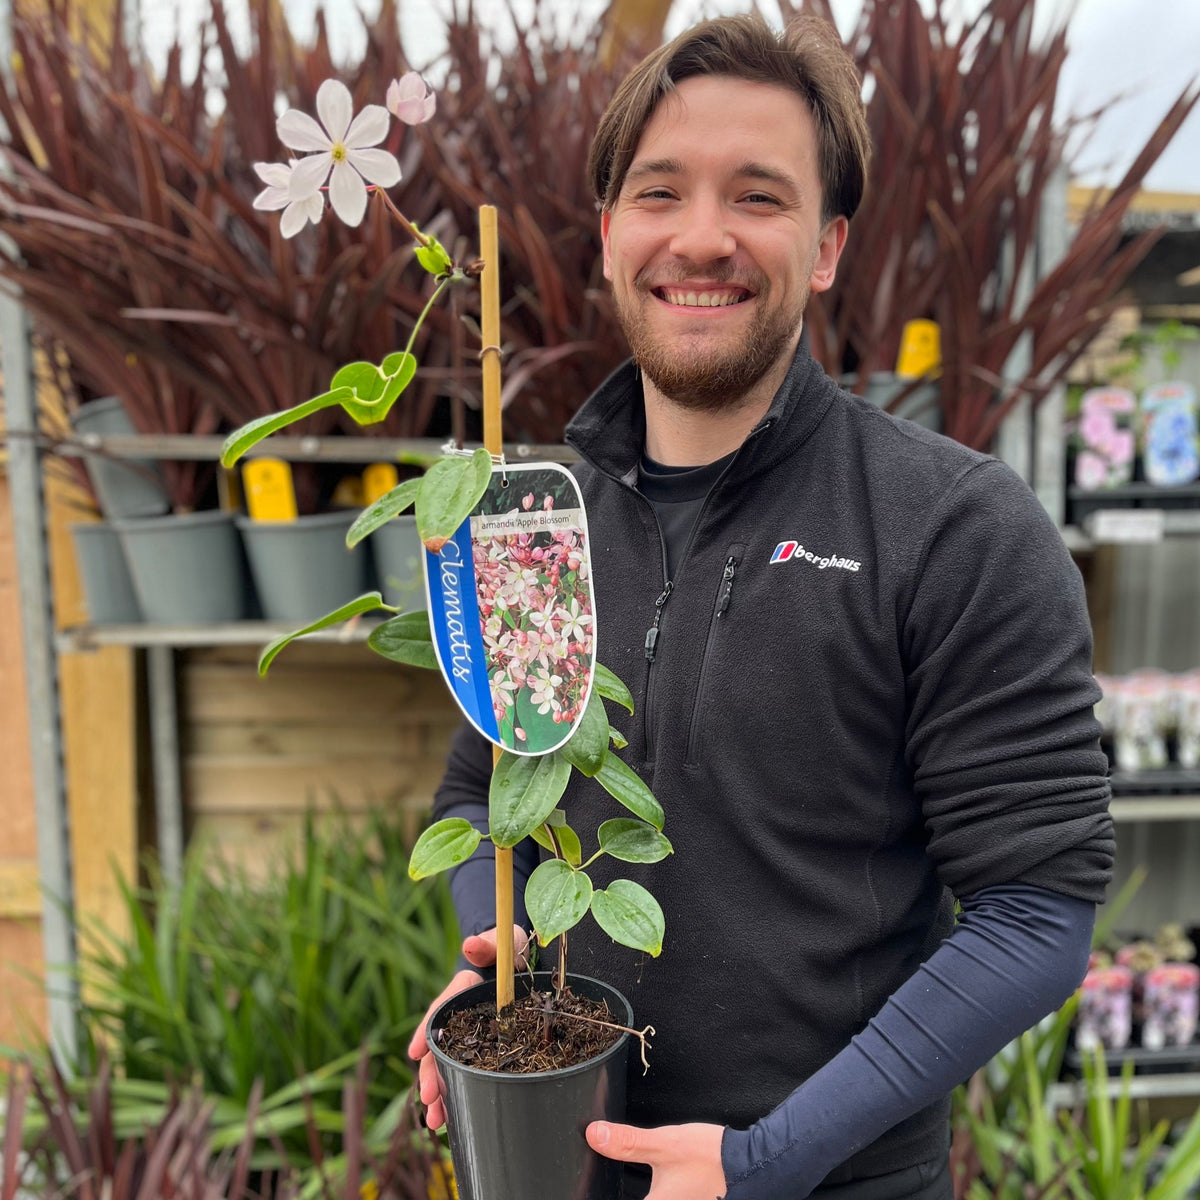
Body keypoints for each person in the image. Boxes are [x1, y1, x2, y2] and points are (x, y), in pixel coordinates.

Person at [407, 13, 1114, 1200]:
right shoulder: (531, 523)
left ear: (827, 245)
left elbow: (1036, 911)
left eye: (759, 197)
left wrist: (763, 1161)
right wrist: (504, 967)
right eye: (660, 191)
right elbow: (481, 796)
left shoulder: (953, 526)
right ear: (608, 234)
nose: (701, 237)